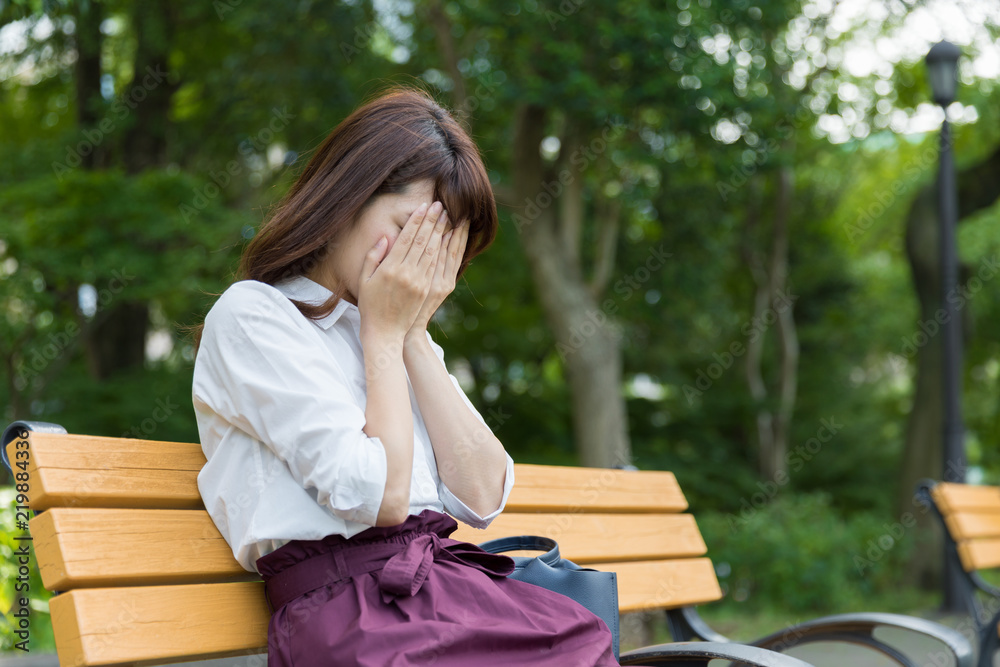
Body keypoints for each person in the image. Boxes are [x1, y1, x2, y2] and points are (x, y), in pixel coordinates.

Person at [191, 87, 619, 666]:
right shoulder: (256, 315)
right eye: (408, 230)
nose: (417, 266)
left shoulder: (389, 333)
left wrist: (411, 335)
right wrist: (386, 335)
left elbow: (482, 494)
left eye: (442, 250)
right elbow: (378, 497)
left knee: (581, 640)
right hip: (352, 614)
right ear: (347, 198)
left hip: (432, 591)